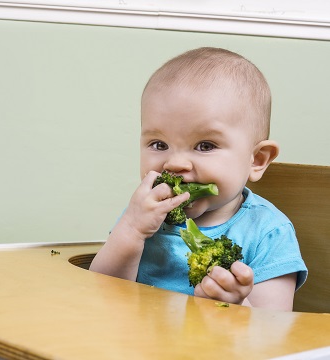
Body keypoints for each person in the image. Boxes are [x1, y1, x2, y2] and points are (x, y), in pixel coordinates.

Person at [89, 47, 307, 311]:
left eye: (205, 145)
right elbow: (101, 295)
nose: (175, 163)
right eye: (159, 144)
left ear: (257, 159)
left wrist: (237, 304)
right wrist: (131, 231)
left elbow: (273, 334)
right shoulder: (142, 216)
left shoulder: (269, 232)